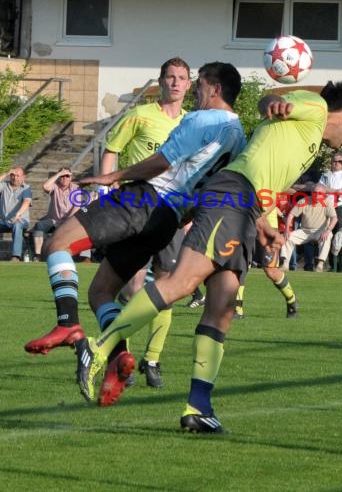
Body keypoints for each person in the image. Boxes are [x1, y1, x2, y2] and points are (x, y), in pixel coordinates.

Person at [76, 80, 342, 433]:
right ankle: (99, 346)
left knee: (223, 306)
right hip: (232, 197)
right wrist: (276, 102)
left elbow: (263, 165)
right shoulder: (316, 109)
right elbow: (271, 101)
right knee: (182, 282)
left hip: (246, 207)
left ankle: (198, 407)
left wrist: (262, 223)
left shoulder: (306, 136)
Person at [24, 60, 247, 377]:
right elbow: (214, 190)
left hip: (143, 199)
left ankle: (67, 325)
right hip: (166, 221)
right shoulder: (238, 138)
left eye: (198, 84)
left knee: (56, 244)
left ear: (216, 89)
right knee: (100, 292)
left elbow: (159, 162)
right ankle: (118, 358)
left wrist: (112, 176)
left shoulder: (201, 120)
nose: (195, 90)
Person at [97, 56, 194, 388]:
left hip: (171, 212)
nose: (175, 82)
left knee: (167, 287)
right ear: (161, 81)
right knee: (133, 288)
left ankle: (151, 360)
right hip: (135, 209)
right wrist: (106, 188)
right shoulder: (139, 115)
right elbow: (112, 149)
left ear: (189, 84)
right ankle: (122, 355)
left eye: (182, 77)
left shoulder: (191, 123)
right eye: (170, 76)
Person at [280, 183, 338, 273]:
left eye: (320, 193)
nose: (317, 195)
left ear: (324, 194)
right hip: (304, 231)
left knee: (327, 236)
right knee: (287, 236)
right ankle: (285, 263)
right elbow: (291, 215)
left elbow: (334, 218)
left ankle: (320, 264)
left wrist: (328, 230)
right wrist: (287, 230)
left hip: (320, 231)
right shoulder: (303, 201)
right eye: (315, 192)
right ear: (311, 193)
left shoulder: (328, 203)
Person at [31, 167, 79, 261]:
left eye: (67, 176)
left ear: (71, 178)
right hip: (55, 221)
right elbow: (45, 186)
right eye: (62, 176)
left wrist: (67, 222)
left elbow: (76, 208)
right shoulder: (55, 187)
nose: (65, 178)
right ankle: (38, 255)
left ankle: (79, 257)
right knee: (39, 225)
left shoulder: (76, 188)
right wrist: (58, 174)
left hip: (69, 222)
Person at [0, 167, 32, 262]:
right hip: (4, 221)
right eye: (12, 175)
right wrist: (6, 173)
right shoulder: (4, 185)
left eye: (18, 175)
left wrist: (18, 214)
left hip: (20, 220)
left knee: (17, 225)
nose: (15, 177)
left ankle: (16, 256)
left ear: (23, 177)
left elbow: (26, 202)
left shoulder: (26, 188)